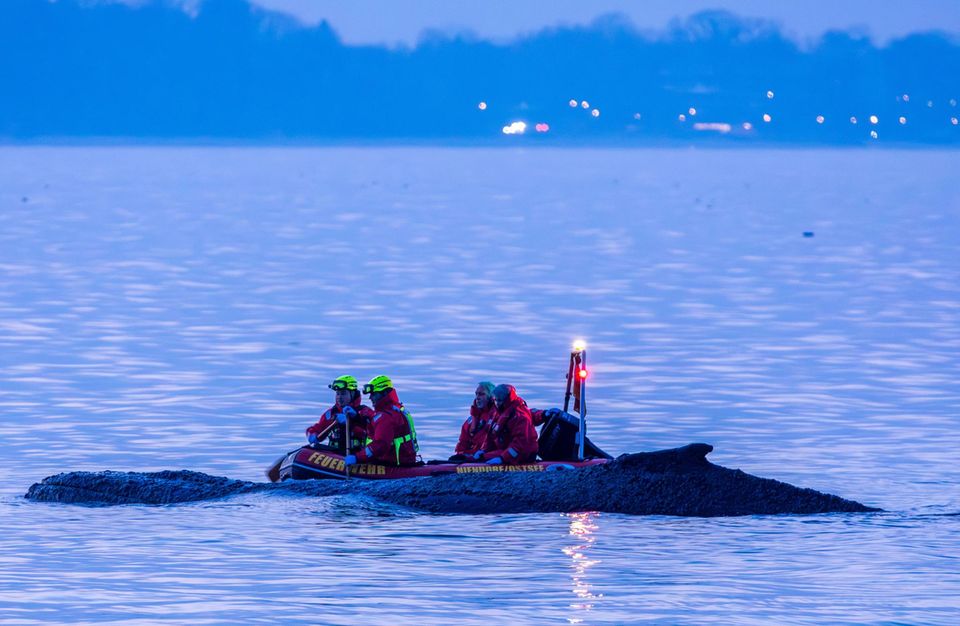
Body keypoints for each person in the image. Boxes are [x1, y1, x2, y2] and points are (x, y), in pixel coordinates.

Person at [346, 375, 419, 467]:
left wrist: (357, 457)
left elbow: (380, 445)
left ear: (384, 393)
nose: (370, 398)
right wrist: (356, 417)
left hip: (391, 464)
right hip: (406, 460)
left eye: (373, 394)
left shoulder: (385, 417)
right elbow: (375, 425)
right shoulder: (396, 409)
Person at [305, 375, 374, 454]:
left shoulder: (364, 411)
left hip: (357, 455)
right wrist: (312, 434)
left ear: (352, 394)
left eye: (343, 394)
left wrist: (353, 420)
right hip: (332, 457)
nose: (339, 397)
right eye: (338, 394)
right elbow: (316, 428)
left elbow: (375, 429)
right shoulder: (330, 414)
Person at [473, 384, 538, 465]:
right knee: (480, 457)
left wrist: (502, 459)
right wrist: (483, 450)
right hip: (506, 450)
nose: (497, 403)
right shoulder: (495, 413)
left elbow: (519, 444)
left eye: (499, 400)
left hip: (522, 453)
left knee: (483, 459)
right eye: (495, 400)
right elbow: (490, 435)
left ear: (507, 400)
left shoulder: (520, 417)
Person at [451, 381, 497, 460]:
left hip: (487, 457)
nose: (477, 397)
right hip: (470, 459)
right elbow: (462, 442)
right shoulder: (471, 420)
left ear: (491, 397)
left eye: (482, 394)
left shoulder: (498, 418)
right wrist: (461, 455)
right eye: (476, 394)